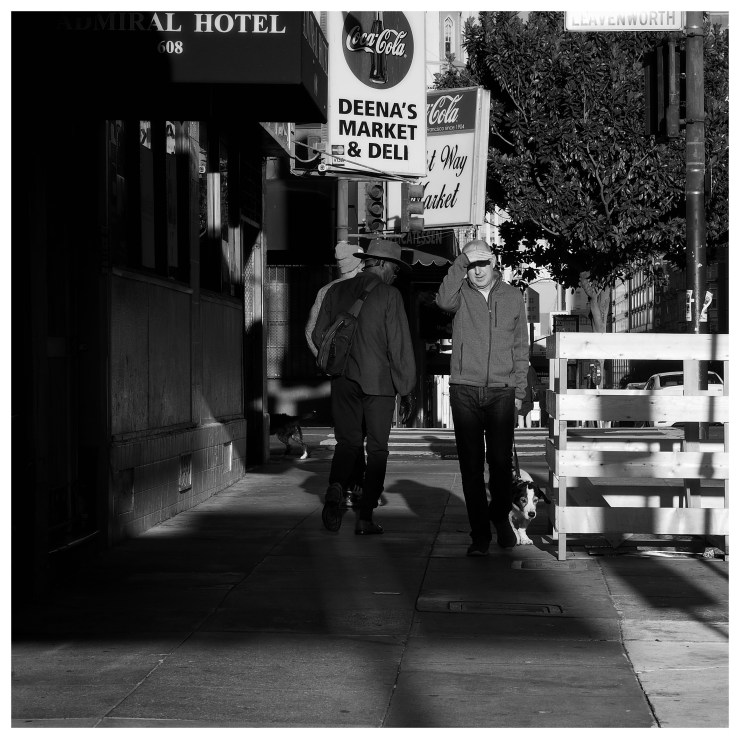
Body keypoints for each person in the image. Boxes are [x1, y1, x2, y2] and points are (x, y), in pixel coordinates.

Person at [312, 238, 416, 535]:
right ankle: (365, 517)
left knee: (348, 443)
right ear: (382, 264)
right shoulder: (390, 295)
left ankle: (336, 486)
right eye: (394, 269)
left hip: (343, 380)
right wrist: (406, 387)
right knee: (378, 449)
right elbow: (399, 345)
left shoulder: (335, 291)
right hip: (378, 383)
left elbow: (319, 336)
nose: (395, 275)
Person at [436, 239, 529, 556]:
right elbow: (442, 301)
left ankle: (500, 517)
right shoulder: (459, 293)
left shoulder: (512, 296)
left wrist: (519, 392)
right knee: (471, 467)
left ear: (494, 263)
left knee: (501, 464)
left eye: (482, 263)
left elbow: (521, 347)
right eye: (471, 264)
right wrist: (460, 262)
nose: (477, 270)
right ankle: (479, 536)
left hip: (502, 391)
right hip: (464, 389)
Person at [306, 242, 367, 505]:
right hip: (367, 373)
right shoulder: (371, 289)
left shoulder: (326, 291)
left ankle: (349, 483)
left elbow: (311, 332)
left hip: (339, 373)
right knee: (359, 432)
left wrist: (327, 363)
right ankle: (355, 483)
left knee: (347, 433)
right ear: (360, 262)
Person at [517, 363, 539, 428]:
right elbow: (535, 380)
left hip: (521, 393)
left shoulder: (519, 369)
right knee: (528, 413)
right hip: (530, 395)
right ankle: (529, 429)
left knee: (520, 414)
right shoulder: (531, 369)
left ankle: (521, 430)